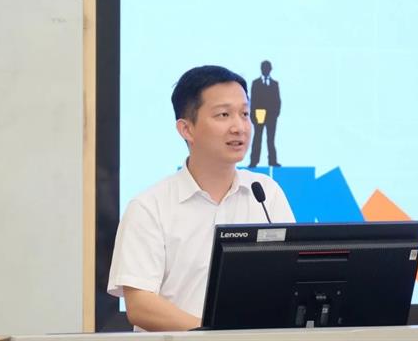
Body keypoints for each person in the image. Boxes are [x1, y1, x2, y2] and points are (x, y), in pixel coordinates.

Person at [107, 65, 295, 331]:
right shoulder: (149, 207)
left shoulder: (266, 194)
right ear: (186, 129)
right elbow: (140, 305)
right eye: (223, 115)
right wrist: (214, 334)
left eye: (244, 114)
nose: (239, 127)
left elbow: (291, 278)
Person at [249, 60, 281, 167]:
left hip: (271, 116)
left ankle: (272, 161)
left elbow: (277, 100)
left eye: (268, 68)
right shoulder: (256, 83)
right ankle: (254, 161)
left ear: (270, 69)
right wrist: (253, 115)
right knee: (257, 138)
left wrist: (276, 114)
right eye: (264, 68)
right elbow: (253, 100)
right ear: (261, 69)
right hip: (259, 114)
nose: (266, 70)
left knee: (270, 139)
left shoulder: (275, 84)